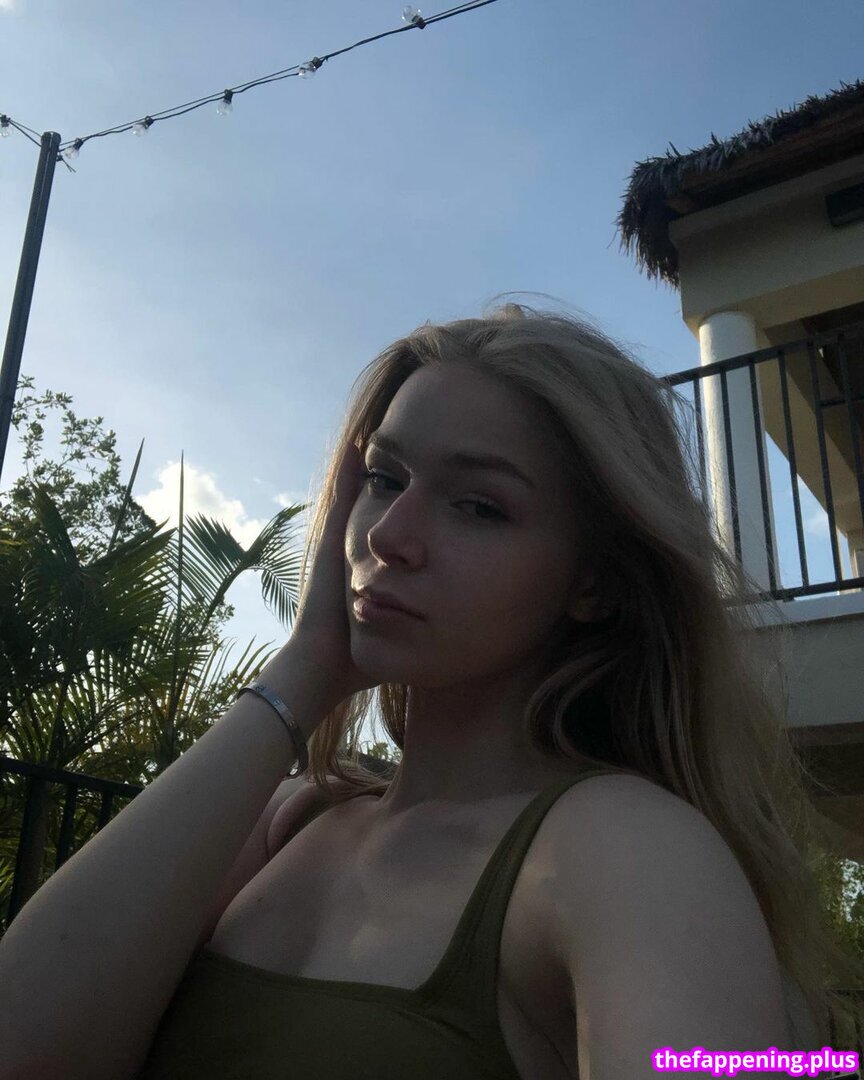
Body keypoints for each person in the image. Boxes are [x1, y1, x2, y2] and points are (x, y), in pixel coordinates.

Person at [3, 297, 860, 1079]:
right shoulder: (287, 819)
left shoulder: (624, 849)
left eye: (479, 506)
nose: (391, 534)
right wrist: (305, 670)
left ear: (594, 581)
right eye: (384, 479)